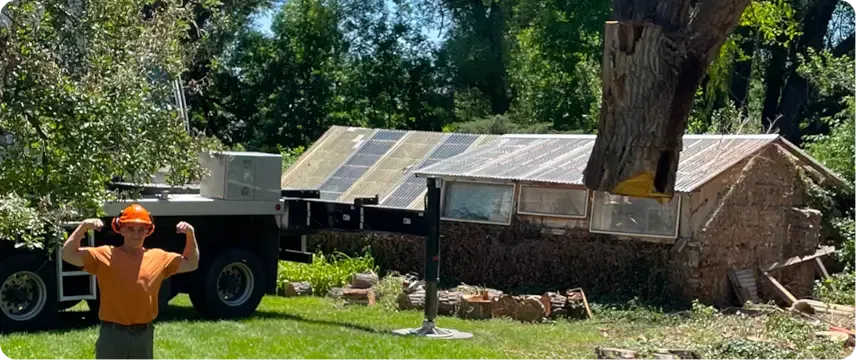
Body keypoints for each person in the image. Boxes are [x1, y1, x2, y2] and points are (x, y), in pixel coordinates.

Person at [61, 203, 200, 360]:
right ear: (120, 228)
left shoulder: (159, 257)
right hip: (112, 334)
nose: (136, 234)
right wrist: (83, 227)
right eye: (130, 228)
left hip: (143, 334)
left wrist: (190, 233)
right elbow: (67, 254)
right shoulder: (104, 254)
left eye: (141, 229)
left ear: (149, 231)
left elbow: (191, 263)